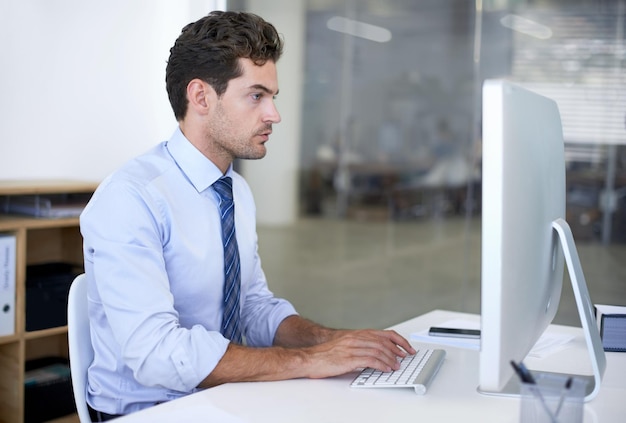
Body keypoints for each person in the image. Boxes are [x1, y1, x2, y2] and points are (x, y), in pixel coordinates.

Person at [80, 10, 415, 420]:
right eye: (257, 96)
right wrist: (309, 362)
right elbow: (157, 354)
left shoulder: (234, 189)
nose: (273, 115)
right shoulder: (131, 199)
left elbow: (253, 308)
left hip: (221, 397)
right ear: (201, 97)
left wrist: (331, 342)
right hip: (149, 411)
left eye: (272, 97)